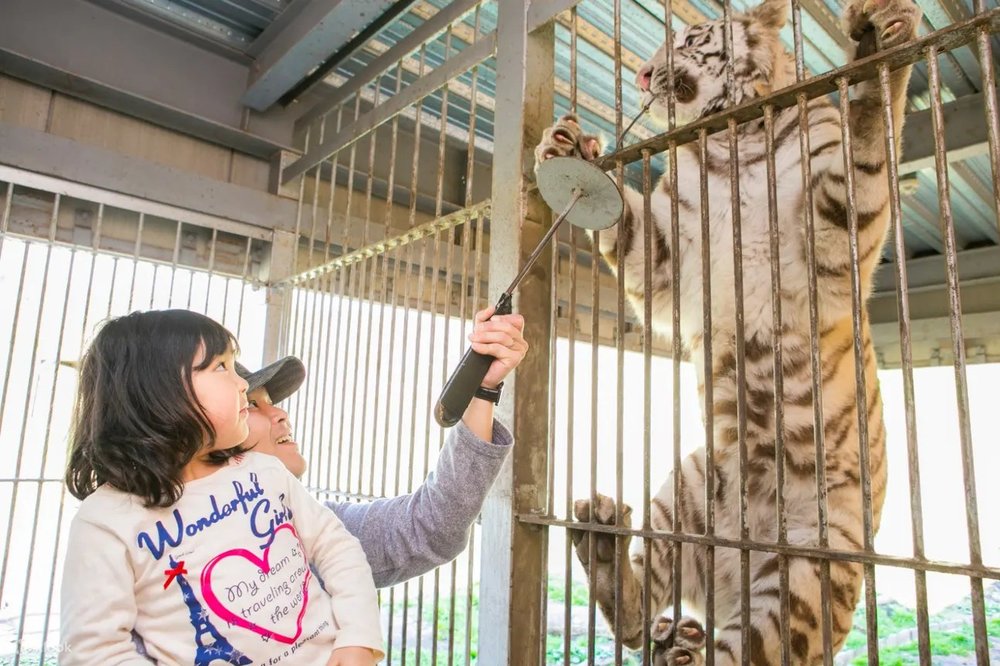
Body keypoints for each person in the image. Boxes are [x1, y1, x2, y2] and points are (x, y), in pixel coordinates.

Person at [60, 310, 383, 666]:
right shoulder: (104, 523)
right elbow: (95, 652)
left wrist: (358, 639)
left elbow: (337, 548)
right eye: (221, 367)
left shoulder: (264, 471)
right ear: (156, 390)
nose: (242, 383)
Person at [239, 306, 528, 587]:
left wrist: (482, 387)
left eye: (271, 402)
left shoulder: (317, 530)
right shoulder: (195, 547)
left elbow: (429, 527)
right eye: (252, 403)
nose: (281, 413)